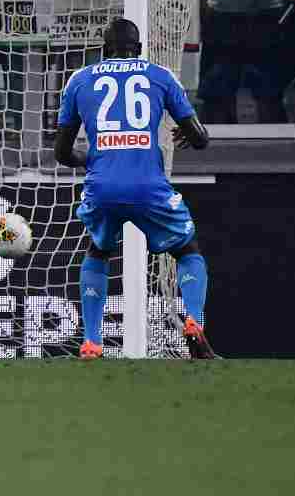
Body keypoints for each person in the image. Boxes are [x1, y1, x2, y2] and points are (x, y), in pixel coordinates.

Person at [53, 18, 216, 361]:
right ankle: (195, 324)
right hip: (149, 186)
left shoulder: (79, 80)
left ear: (103, 50)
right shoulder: (160, 75)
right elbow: (200, 139)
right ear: (139, 49)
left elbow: (62, 153)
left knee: (98, 250)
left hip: (102, 186)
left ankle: (93, 343)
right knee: (188, 250)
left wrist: (98, 158)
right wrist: (190, 134)